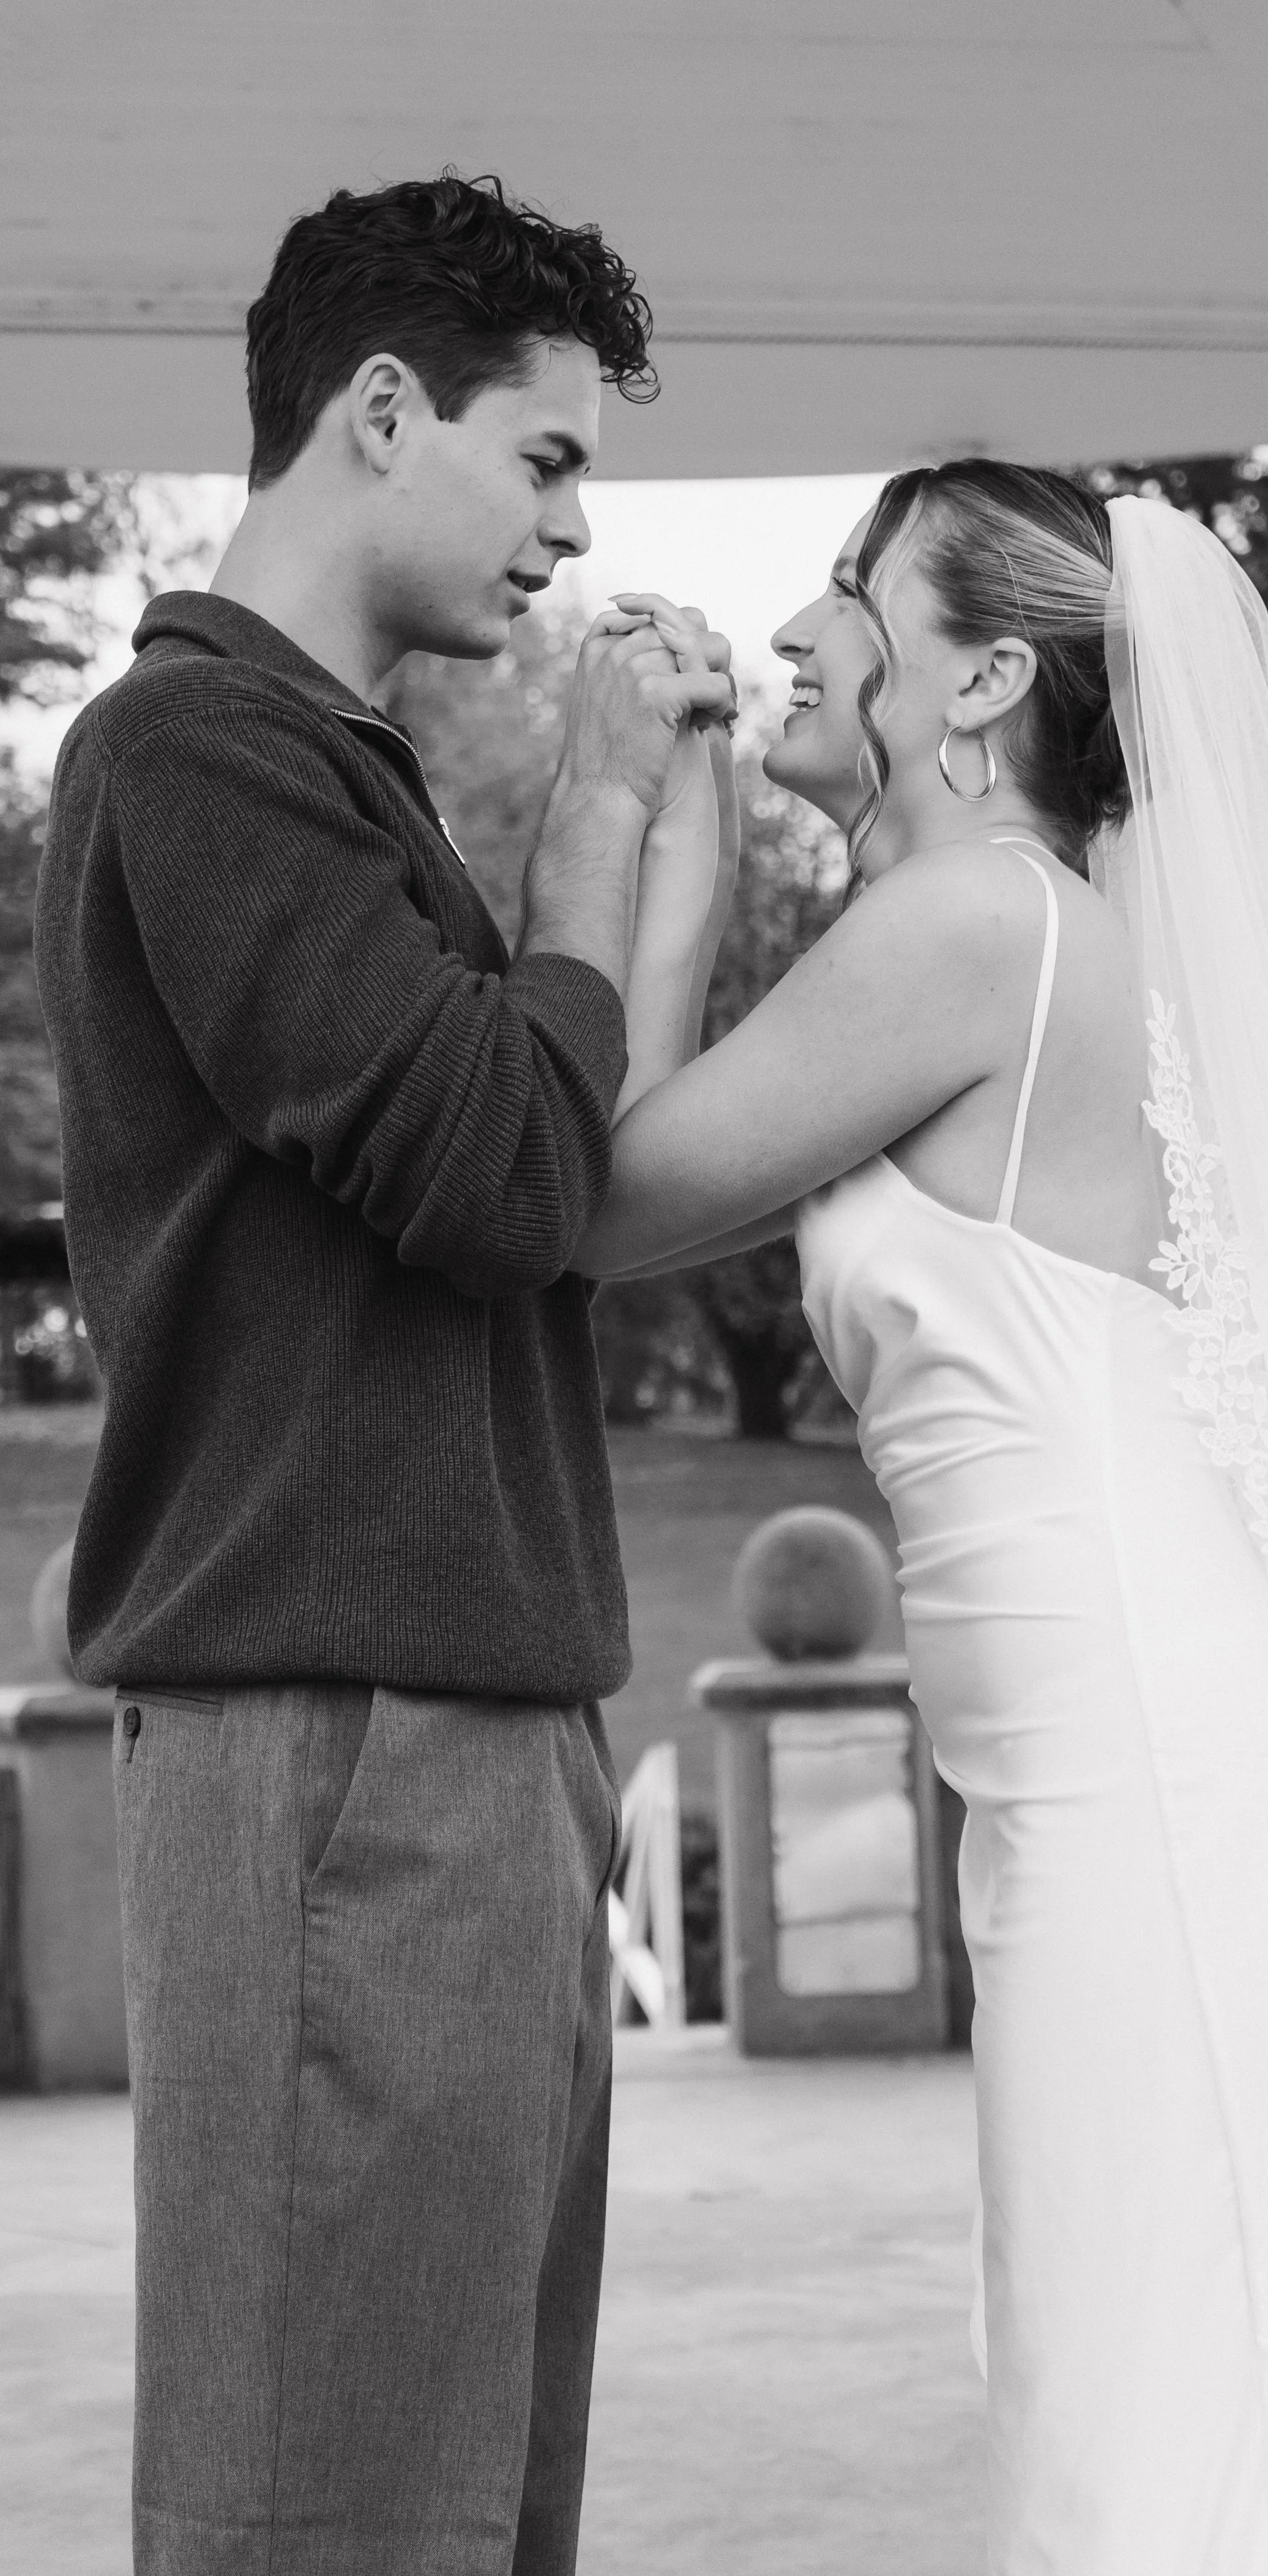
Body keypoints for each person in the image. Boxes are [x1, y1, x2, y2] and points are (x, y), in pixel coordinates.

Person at [575, 462, 1268, 2571]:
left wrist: (665, 839)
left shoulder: (982, 921)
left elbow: (597, 1193)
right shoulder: (991, 928)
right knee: (1147, 2363)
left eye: (851, 587)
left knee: (1144, 2392)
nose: (803, 625)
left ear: (985, 674)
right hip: (1127, 1768)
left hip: (1158, 1797)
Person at [33, 173, 733, 2576]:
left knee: (456, 2492)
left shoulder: (345, 775)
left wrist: (662, 825)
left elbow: (568, 1136)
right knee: (331, 2511)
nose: (569, 525)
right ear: (381, 407)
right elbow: (497, 1164)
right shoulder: (193, 751)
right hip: (339, 1729)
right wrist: (611, 807)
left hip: (458, 1719)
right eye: (544, 457)